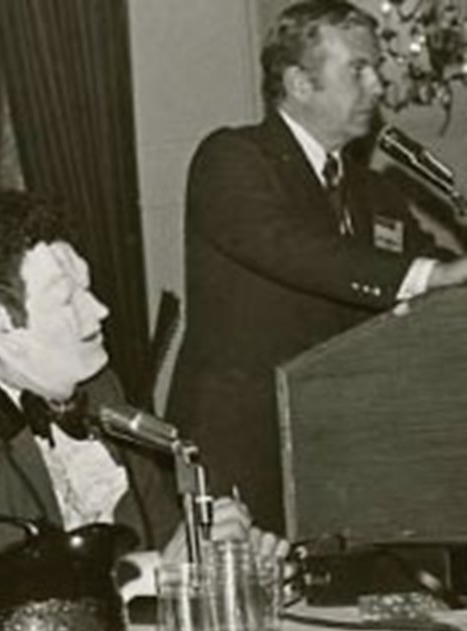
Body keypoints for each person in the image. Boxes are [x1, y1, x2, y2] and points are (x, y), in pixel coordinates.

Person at [166, 0, 467, 533]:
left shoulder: (373, 189)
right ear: (300, 84)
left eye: (376, 67)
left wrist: (448, 276)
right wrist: (427, 277)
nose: (378, 86)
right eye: (358, 69)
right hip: (240, 446)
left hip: (338, 451)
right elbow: (290, 247)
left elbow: (437, 271)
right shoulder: (233, 158)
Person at [0, 186, 280, 573]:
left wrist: (224, 557)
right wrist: (160, 569)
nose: (100, 310)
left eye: (87, 289)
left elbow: (165, 538)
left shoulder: (99, 391)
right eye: (68, 298)